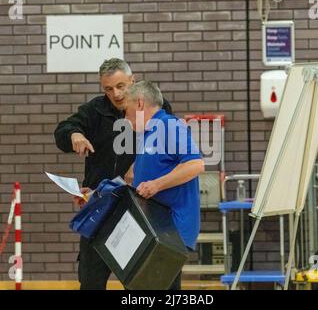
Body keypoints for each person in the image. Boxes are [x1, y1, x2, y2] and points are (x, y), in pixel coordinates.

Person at [54, 58, 172, 290]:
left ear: (132, 80)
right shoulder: (95, 110)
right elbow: (63, 130)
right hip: (100, 206)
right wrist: (74, 135)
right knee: (90, 281)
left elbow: (164, 144)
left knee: (140, 280)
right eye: (108, 89)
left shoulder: (154, 107)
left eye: (121, 86)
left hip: (140, 207)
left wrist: (138, 165)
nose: (116, 94)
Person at [124, 80, 205, 290]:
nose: (125, 118)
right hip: (158, 227)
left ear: (140, 104)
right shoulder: (149, 134)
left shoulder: (168, 126)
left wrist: (156, 185)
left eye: (127, 110)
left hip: (171, 229)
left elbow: (195, 164)